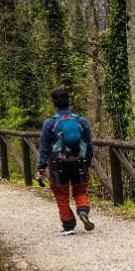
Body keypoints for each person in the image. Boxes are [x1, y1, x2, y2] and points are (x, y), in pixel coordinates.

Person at [36, 88, 95, 236]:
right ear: (69, 101)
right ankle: (82, 210)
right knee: (80, 191)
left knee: (61, 195)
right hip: (79, 162)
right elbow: (89, 146)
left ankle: (68, 225)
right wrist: (87, 164)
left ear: (54, 103)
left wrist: (41, 167)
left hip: (59, 165)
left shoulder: (50, 124)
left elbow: (43, 147)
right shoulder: (82, 121)